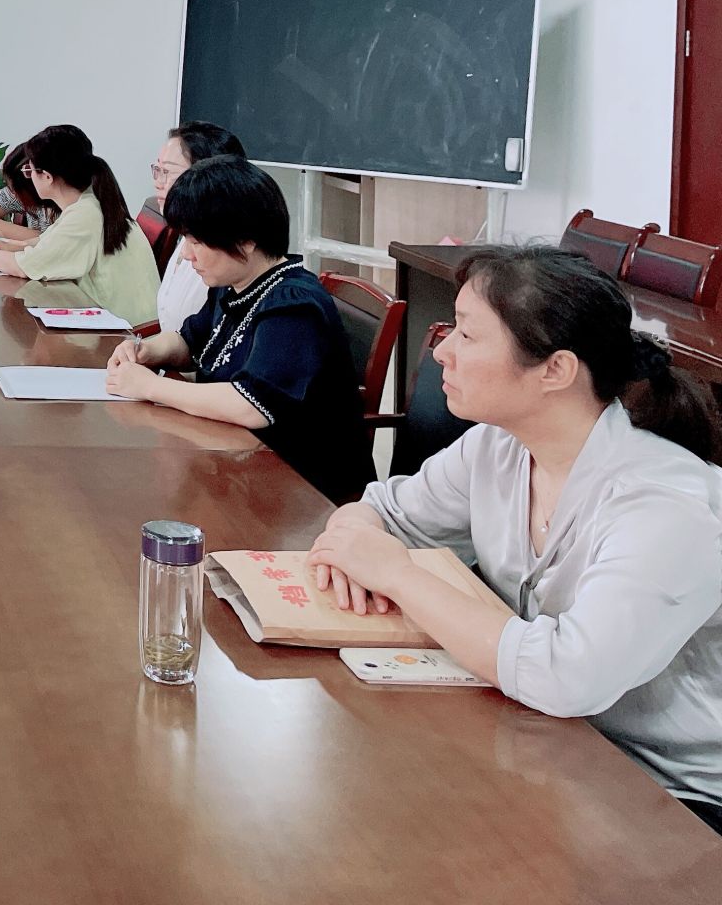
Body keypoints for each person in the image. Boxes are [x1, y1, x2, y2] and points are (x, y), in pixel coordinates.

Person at [305, 246, 722, 832]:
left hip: (673, 794)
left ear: (556, 370)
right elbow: (384, 511)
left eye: (468, 335)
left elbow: (567, 677)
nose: (441, 350)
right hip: (548, 737)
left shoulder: (665, 507)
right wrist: (351, 548)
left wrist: (395, 574)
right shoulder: (499, 446)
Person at [106, 156, 371, 500]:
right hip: (240, 464)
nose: (186, 255)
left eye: (196, 241)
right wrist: (145, 350)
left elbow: (251, 405)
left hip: (302, 492)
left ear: (246, 240)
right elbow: (189, 340)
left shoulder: (293, 305)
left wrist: (150, 387)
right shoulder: (233, 285)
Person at [0, 124, 158, 325]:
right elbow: (46, 244)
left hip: (127, 333)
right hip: (115, 323)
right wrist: (8, 245)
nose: (29, 178)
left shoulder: (85, 214)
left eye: (30, 171)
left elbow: (26, 267)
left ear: (47, 177)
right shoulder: (87, 202)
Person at [150, 121, 247, 333]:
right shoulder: (183, 236)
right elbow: (185, 336)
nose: (158, 182)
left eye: (167, 171)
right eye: (157, 170)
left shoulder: (226, 264)